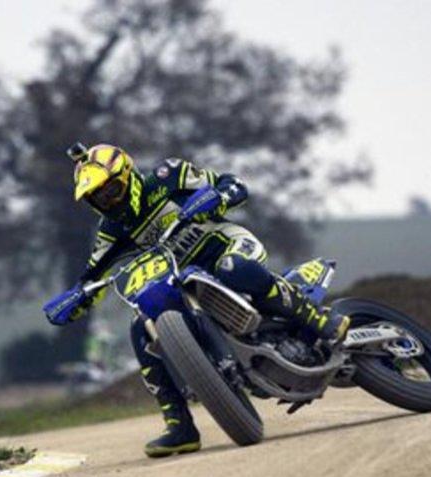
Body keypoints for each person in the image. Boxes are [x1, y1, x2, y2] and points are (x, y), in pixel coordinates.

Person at [43, 143, 350, 458]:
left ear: (127, 176)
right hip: (180, 279)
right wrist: (74, 298)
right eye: (98, 197)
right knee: (139, 327)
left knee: (234, 269)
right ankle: (180, 426)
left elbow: (233, 185)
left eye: (111, 190)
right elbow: (92, 275)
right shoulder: (110, 231)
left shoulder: (167, 176)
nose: (107, 201)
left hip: (226, 248)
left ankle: (320, 321)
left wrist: (218, 197)